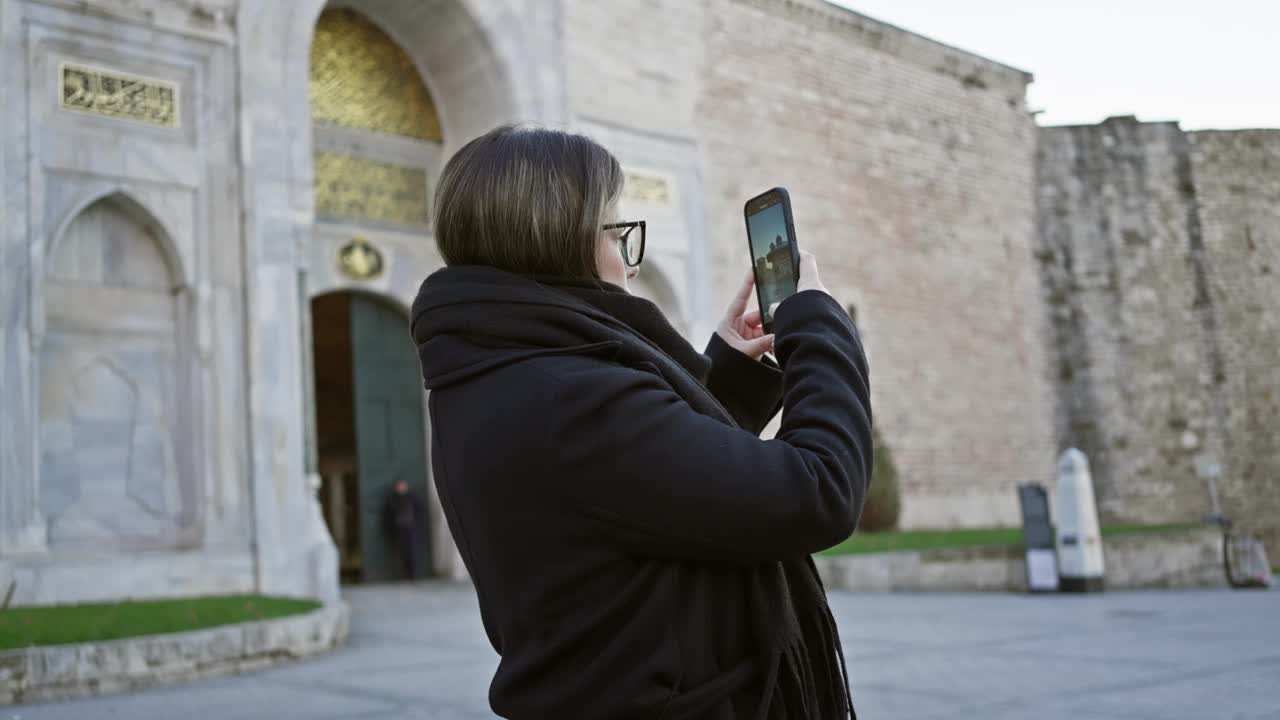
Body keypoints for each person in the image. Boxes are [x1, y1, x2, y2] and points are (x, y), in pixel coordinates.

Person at [411, 125, 872, 719]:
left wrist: (725, 375)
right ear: (560, 239)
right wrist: (820, 325)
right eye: (617, 233)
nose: (630, 262)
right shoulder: (572, 400)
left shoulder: (500, 374)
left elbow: (648, 494)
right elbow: (817, 489)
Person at [382, 478, 425, 580]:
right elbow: (388, 516)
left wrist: (416, 524)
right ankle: (405, 574)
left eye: (402, 485)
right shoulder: (392, 499)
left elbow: (419, 511)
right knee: (402, 552)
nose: (401, 487)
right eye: (399, 486)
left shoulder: (412, 497)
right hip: (399, 529)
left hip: (410, 529)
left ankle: (412, 574)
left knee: (411, 552)